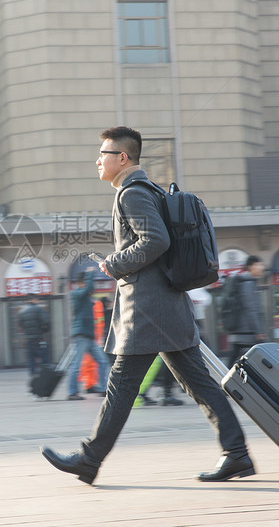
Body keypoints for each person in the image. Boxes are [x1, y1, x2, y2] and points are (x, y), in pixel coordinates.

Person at [41, 126, 253, 485]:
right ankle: (237, 455)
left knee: (121, 387)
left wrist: (115, 263)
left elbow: (156, 240)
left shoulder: (132, 194)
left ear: (122, 158)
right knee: (199, 384)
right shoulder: (147, 189)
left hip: (148, 310)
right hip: (166, 306)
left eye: (103, 154)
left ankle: (89, 460)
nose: (97, 161)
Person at [65, 269, 109, 400]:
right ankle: (72, 392)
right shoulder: (76, 294)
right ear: (81, 283)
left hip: (89, 336)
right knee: (76, 365)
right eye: (86, 282)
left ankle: (102, 389)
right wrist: (90, 273)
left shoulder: (86, 297)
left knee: (102, 361)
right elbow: (88, 288)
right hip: (81, 336)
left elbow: (90, 288)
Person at [227, 256, 267, 366]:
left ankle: (227, 379)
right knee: (258, 360)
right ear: (250, 267)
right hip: (246, 331)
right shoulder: (247, 283)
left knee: (235, 360)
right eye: (259, 265)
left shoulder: (247, 282)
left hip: (242, 331)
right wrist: (258, 331)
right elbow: (251, 309)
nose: (262, 267)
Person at [17, 295, 50, 376]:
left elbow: (20, 325)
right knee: (44, 357)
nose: (38, 301)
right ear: (34, 300)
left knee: (31, 360)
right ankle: (45, 375)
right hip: (39, 338)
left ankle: (33, 377)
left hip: (28, 339)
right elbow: (46, 321)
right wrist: (45, 330)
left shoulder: (21, 312)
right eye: (37, 300)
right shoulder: (38, 309)